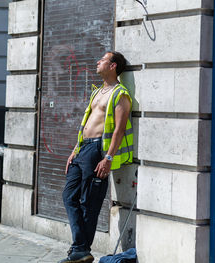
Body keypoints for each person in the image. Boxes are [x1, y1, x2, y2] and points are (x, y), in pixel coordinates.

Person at [59, 51, 133, 263]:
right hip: (83, 149)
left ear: (113, 66)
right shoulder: (98, 92)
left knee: (89, 202)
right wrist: (75, 149)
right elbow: (86, 124)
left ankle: (79, 250)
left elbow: (119, 129)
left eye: (103, 59)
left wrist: (108, 158)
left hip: (98, 150)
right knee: (68, 196)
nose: (97, 61)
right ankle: (80, 248)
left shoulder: (120, 94)